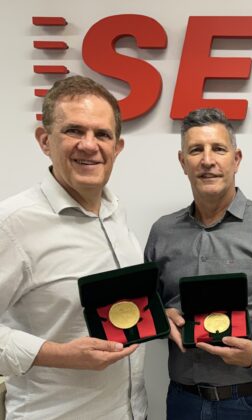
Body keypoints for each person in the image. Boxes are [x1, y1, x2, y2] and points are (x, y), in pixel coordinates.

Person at [145, 108, 252, 419]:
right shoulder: (162, 232)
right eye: (196, 150)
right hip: (184, 401)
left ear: (236, 159)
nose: (207, 160)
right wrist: (160, 316)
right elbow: (148, 302)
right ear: (182, 162)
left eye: (218, 149)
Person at [0, 76, 146, 419]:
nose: (89, 145)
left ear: (117, 147)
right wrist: (59, 354)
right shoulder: (12, 224)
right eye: (74, 131)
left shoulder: (115, 213)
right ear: (45, 140)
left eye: (102, 134)